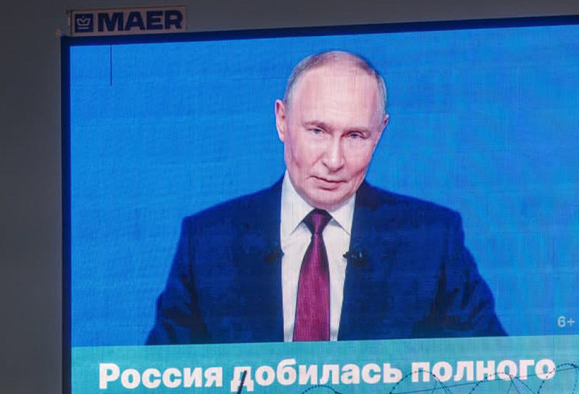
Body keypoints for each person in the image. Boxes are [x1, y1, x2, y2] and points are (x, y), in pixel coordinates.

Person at [146, 50, 505, 345]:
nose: (334, 161)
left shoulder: (431, 240)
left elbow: (494, 377)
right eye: (317, 131)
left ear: (380, 132)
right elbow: (159, 385)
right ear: (282, 120)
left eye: (355, 136)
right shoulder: (207, 242)